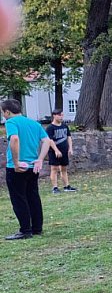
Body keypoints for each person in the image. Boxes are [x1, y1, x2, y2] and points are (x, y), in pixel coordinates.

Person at [2, 99, 50, 240]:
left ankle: (25, 230)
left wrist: (16, 162)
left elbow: (15, 139)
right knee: (33, 196)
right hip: (32, 166)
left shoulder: (11, 122)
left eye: (3, 112)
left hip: (17, 168)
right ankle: (36, 228)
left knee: (19, 199)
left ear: (7, 111)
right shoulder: (34, 123)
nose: (3, 115)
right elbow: (46, 140)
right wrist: (40, 159)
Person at [46, 109, 77, 193]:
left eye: (62, 115)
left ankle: (66, 186)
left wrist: (70, 148)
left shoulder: (64, 126)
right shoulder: (50, 128)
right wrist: (56, 150)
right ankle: (55, 187)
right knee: (54, 169)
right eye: (59, 115)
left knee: (64, 169)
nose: (61, 117)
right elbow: (50, 140)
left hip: (64, 151)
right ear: (54, 115)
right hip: (54, 152)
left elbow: (69, 137)